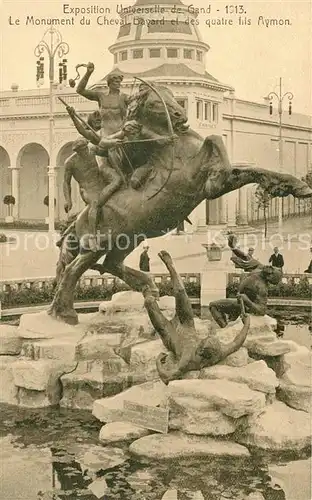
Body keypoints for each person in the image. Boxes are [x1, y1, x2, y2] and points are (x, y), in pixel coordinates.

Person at [63, 137, 122, 252]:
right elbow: (66, 182)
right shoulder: (70, 162)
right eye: (82, 150)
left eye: (86, 148)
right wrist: (68, 200)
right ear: (77, 151)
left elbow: (106, 150)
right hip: (87, 188)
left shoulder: (92, 150)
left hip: (100, 182)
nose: (86, 151)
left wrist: (115, 145)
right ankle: (92, 237)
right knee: (95, 203)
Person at [209, 265, 282, 327]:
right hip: (239, 302)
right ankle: (226, 326)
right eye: (272, 267)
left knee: (213, 305)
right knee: (214, 306)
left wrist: (247, 300)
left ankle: (224, 327)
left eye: (272, 269)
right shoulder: (259, 269)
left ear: (269, 276)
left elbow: (262, 311)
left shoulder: (262, 287)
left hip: (244, 306)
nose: (269, 267)